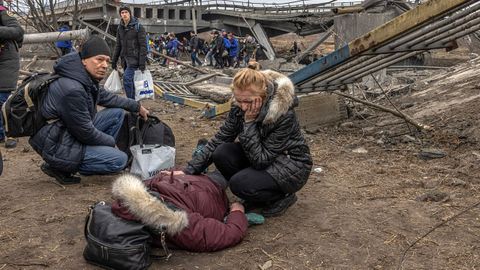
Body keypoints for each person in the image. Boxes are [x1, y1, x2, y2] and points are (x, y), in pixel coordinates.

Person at [184, 63, 313, 217]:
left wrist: (250, 123)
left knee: (239, 185)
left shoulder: (283, 114)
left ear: (264, 94)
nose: (244, 107)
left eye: (249, 102)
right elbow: (221, 137)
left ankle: (281, 197)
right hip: (261, 153)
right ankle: (255, 190)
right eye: (240, 101)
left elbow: (261, 160)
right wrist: (190, 170)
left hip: (291, 164)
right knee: (222, 152)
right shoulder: (240, 105)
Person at [29, 36, 150, 185]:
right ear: (84, 60)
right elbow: (85, 133)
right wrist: (111, 143)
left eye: (107, 60)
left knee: (117, 114)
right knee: (119, 160)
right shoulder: (73, 88)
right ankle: (61, 167)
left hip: (66, 131)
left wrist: (136, 106)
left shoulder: (82, 76)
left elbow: (106, 97)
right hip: (56, 143)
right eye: (99, 60)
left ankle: (92, 154)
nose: (105, 65)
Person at [111, 172, 248, 252]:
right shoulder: (174, 221)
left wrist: (177, 173)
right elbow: (227, 233)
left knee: (222, 165)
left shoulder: (128, 201)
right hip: (213, 190)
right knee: (227, 172)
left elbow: (158, 180)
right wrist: (237, 212)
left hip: (193, 181)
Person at [0, 0, 23, 149]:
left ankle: (9, 134)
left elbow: (18, 31)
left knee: (3, 102)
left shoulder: (2, 11)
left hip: (5, 63)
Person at [112, 5, 147, 100]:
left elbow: (143, 47)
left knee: (127, 80)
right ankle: (135, 104)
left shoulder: (139, 27)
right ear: (120, 15)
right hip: (125, 60)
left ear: (130, 14)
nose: (124, 14)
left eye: (126, 12)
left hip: (135, 60)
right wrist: (114, 61)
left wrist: (142, 63)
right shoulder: (120, 28)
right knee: (131, 82)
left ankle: (131, 104)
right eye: (122, 13)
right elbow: (118, 45)